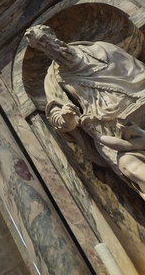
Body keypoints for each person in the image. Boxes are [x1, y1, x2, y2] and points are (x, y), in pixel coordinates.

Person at [26, 24, 145, 199]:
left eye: (44, 40)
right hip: (113, 132)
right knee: (133, 168)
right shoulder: (54, 78)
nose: (46, 46)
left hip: (139, 104)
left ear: (52, 34)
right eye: (40, 45)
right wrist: (67, 117)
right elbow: (56, 115)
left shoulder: (100, 49)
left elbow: (138, 71)